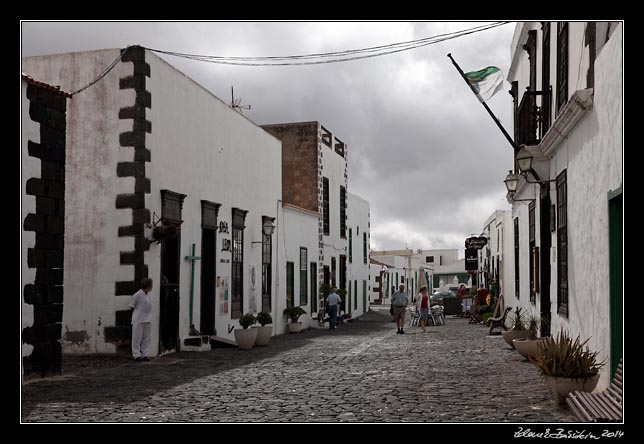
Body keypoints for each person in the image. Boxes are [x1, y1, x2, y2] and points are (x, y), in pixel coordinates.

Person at [130, 277, 154, 362]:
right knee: (137, 338)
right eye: (151, 284)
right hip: (138, 319)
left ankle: (145, 354)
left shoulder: (150, 294)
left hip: (148, 319)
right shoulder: (137, 295)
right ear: (147, 285)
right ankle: (136, 355)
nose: (152, 286)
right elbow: (132, 306)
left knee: (146, 338)